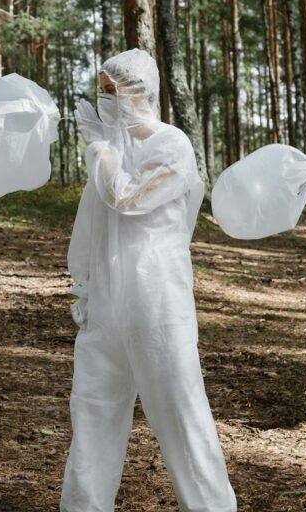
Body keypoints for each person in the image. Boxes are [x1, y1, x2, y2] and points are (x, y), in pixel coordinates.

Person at [63, 49, 236, 511]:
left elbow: (128, 198)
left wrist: (99, 150)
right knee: (93, 409)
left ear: (138, 92)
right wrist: (85, 284)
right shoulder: (111, 147)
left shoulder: (172, 144)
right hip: (107, 301)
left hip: (157, 299)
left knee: (179, 411)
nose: (104, 99)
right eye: (101, 91)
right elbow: (91, 223)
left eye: (112, 91)